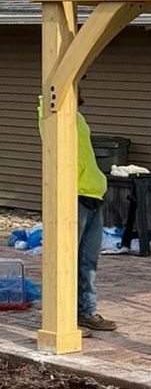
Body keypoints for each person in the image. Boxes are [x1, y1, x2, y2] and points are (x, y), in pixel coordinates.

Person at [38, 88, 117, 335]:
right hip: (73, 196)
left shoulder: (78, 117)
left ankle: (86, 313)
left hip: (93, 194)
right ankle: (64, 321)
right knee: (66, 259)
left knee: (88, 260)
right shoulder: (50, 116)